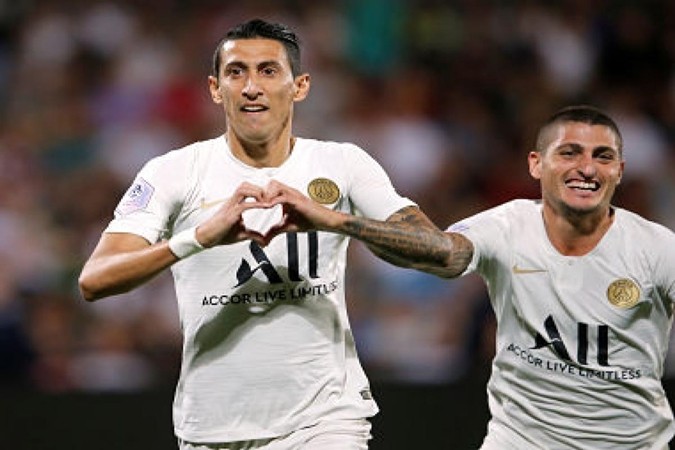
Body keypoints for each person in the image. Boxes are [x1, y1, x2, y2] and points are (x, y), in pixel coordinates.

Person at [78, 18, 446, 450]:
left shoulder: (342, 163)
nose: (252, 87)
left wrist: (334, 220)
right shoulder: (173, 172)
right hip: (211, 428)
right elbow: (94, 279)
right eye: (236, 72)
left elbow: (437, 250)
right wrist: (199, 238)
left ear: (300, 86)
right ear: (216, 89)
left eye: (268, 71)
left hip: (325, 420)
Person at [399, 105, 675, 449]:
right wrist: (346, 222)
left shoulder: (657, 247)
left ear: (619, 171)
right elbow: (444, 252)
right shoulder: (506, 226)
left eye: (603, 156)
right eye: (569, 153)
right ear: (536, 164)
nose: (587, 168)